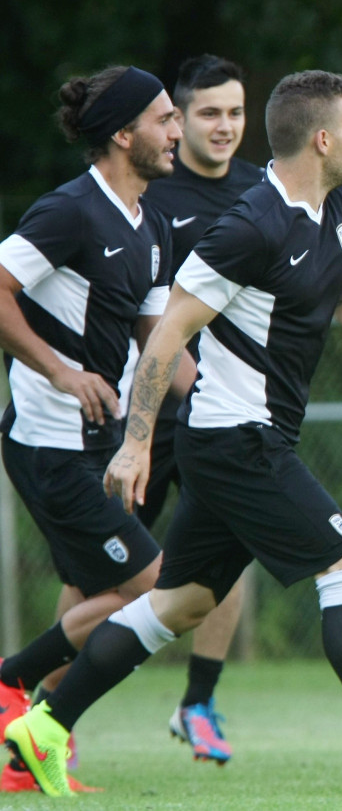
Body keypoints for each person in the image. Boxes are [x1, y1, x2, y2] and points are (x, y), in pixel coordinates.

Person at [3, 70, 342, 797]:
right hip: (234, 439)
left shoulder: (334, 204)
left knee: (180, 603)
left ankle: (46, 724)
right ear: (322, 138)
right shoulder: (250, 225)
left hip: (253, 439)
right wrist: (135, 442)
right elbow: (166, 337)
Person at [0, 65, 184, 794]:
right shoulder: (70, 211)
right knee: (160, 592)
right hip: (53, 448)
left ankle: (30, 752)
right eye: (166, 118)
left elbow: (161, 336)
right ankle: (13, 685)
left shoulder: (153, 221)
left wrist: (204, 381)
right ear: (122, 133)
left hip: (102, 446)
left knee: (89, 596)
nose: (177, 131)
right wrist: (59, 371)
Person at [132, 53, 264, 765]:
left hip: (229, 416)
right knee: (98, 573)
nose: (225, 126)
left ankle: (199, 705)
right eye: (210, 113)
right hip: (150, 413)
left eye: (237, 112)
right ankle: (38, 714)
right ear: (179, 120)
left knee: (229, 560)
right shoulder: (152, 195)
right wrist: (191, 381)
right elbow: (151, 319)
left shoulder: (261, 192)